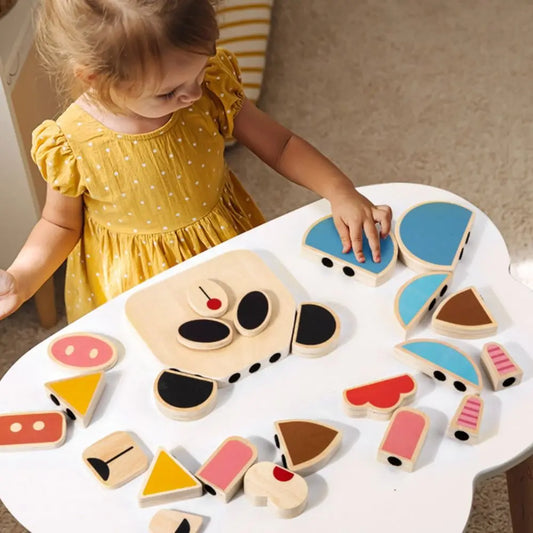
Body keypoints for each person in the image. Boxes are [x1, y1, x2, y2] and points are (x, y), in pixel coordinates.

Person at [0, 0, 392, 323]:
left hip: (223, 244)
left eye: (200, 70)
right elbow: (59, 223)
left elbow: (282, 145)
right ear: (96, 79)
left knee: (257, 332)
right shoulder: (70, 143)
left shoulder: (208, 89)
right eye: (169, 92)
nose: (192, 93)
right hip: (131, 287)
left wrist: (339, 191)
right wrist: (21, 278)